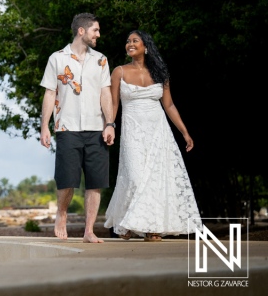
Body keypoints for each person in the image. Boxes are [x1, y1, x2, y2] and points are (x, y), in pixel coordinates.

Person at [103, 30, 202, 241]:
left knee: (156, 179)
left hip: (159, 132)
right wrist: (109, 125)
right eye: (128, 40)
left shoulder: (160, 73)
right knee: (136, 178)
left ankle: (151, 228)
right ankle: (128, 221)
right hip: (133, 132)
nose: (130, 43)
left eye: (135, 40)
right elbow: (113, 104)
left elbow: (169, 105)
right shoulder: (119, 72)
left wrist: (184, 132)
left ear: (145, 46)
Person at [40, 13, 114, 243]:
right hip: (67, 127)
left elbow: (105, 94)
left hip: (96, 128)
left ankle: (89, 231)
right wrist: (45, 126)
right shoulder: (57, 59)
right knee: (67, 179)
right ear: (82, 31)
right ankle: (61, 212)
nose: (98, 35)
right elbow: (50, 93)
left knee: (95, 182)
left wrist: (110, 123)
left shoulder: (101, 59)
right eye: (95, 30)